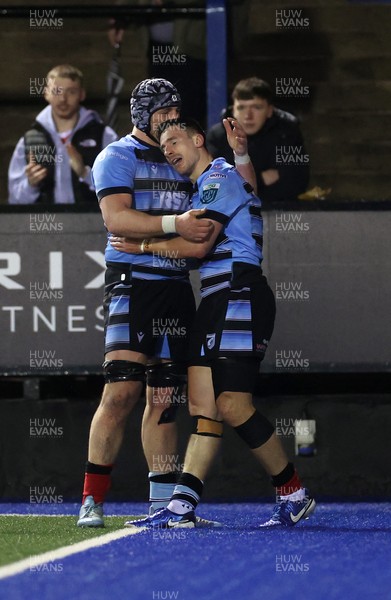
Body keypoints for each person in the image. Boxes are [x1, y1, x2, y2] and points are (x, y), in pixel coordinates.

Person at [113, 118, 315, 528]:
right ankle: (182, 507)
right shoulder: (217, 178)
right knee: (203, 405)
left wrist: (143, 244)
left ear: (198, 139)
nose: (168, 150)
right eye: (163, 145)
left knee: (231, 404)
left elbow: (199, 244)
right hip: (216, 297)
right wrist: (243, 155)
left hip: (239, 294)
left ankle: (293, 491)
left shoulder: (215, 179)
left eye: (175, 140)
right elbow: (248, 191)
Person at [77, 78, 255, 528]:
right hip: (133, 280)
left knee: (165, 395)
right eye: (161, 114)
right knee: (121, 389)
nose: (169, 121)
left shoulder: (181, 157)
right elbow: (115, 218)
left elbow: (231, 195)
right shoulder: (115, 156)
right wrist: (176, 223)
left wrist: (239, 157)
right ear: (140, 114)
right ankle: (91, 499)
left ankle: (161, 503)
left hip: (176, 283)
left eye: (175, 114)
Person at [8, 64, 118, 205]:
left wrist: (85, 174)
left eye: (71, 92)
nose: (63, 99)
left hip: (94, 224)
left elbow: (122, 191)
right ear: (46, 93)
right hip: (46, 224)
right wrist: (30, 185)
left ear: (82, 94)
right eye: (56, 92)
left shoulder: (104, 136)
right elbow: (14, 201)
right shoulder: (29, 140)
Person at [206, 77, 310, 202]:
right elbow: (217, 187)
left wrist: (243, 185)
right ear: (233, 109)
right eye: (241, 108)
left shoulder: (286, 133)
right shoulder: (218, 136)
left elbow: (295, 184)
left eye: (257, 107)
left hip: (278, 211)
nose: (248, 116)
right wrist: (261, 179)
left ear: (269, 110)